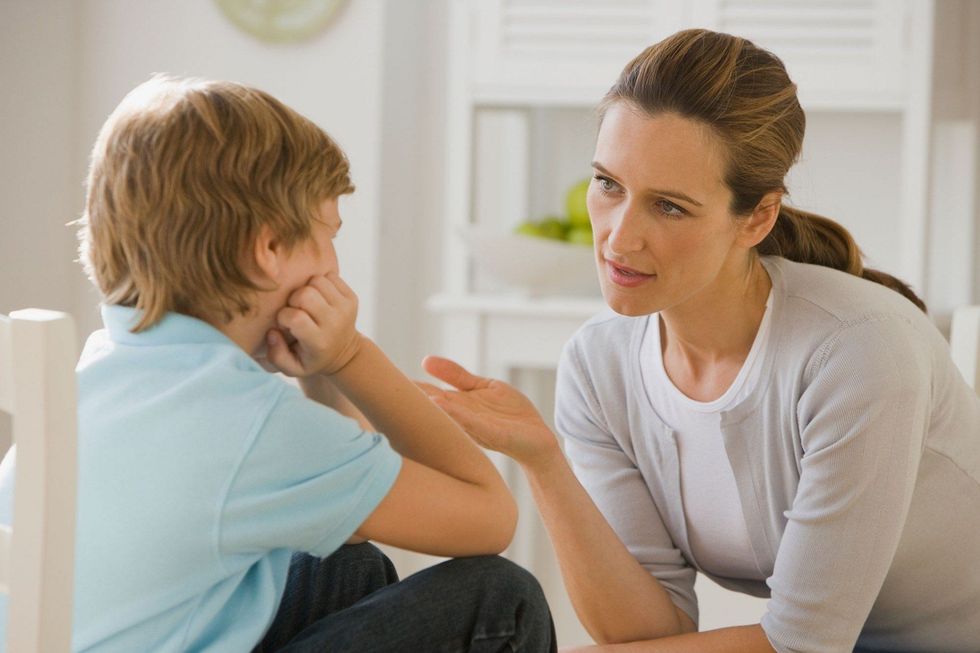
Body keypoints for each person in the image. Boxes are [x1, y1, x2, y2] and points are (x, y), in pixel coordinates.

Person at [420, 29, 980, 653]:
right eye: (608, 184)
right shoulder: (599, 365)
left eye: (670, 207)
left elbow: (800, 644)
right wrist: (544, 462)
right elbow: (649, 631)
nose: (618, 238)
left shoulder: (856, 351)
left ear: (757, 217)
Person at [0, 75, 556, 652]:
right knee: (502, 598)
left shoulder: (107, 367)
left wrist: (315, 372)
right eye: (328, 236)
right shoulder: (249, 424)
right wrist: (348, 357)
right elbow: (490, 518)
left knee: (346, 564)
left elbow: (354, 502)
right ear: (268, 252)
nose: (335, 270)